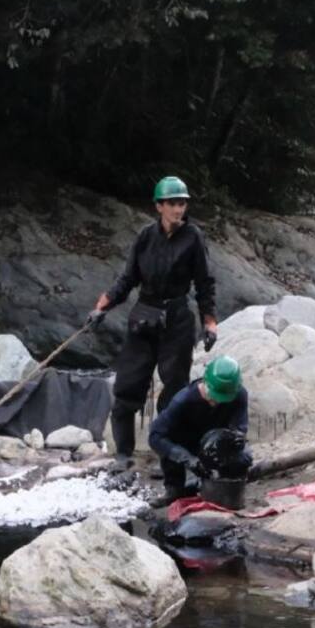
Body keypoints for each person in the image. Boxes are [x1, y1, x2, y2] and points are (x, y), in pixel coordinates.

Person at [88, 176, 218, 467]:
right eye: (172, 203)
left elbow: (205, 283)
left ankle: (168, 460)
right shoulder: (146, 236)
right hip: (144, 317)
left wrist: (209, 322)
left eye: (182, 203)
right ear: (159, 206)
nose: (178, 209)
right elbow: (128, 278)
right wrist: (102, 306)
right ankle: (123, 456)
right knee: (127, 389)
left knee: (174, 393)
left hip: (177, 320)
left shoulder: (194, 237)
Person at [148, 355, 249, 507]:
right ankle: (174, 489)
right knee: (170, 445)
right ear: (205, 383)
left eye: (223, 399)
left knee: (245, 456)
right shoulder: (183, 400)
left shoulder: (239, 394)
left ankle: (225, 487)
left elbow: (240, 425)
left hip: (216, 443)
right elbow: (155, 436)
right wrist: (186, 458)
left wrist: (238, 436)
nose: (217, 402)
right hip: (185, 443)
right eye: (214, 397)